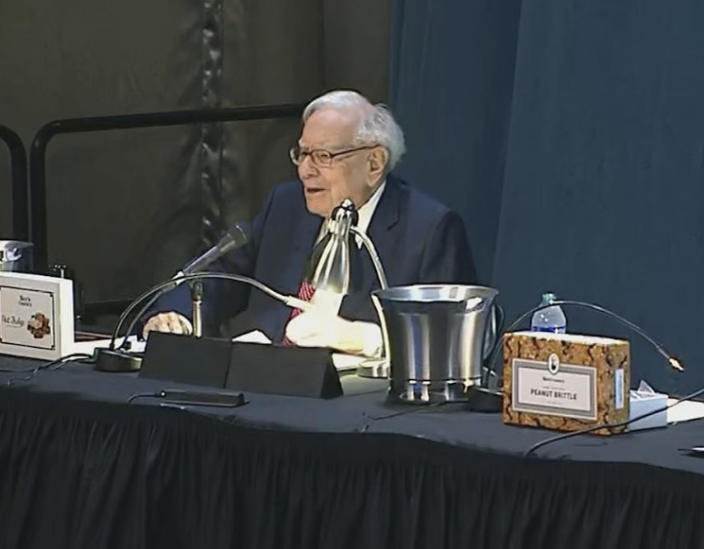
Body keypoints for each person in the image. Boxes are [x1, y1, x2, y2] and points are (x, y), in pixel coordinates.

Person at [142, 90, 478, 354]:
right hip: (265, 387)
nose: (305, 170)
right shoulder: (286, 207)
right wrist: (177, 316)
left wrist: (362, 337)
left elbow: (446, 340)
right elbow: (218, 276)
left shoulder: (429, 229)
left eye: (323, 156)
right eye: (302, 154)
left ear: (374, 163)